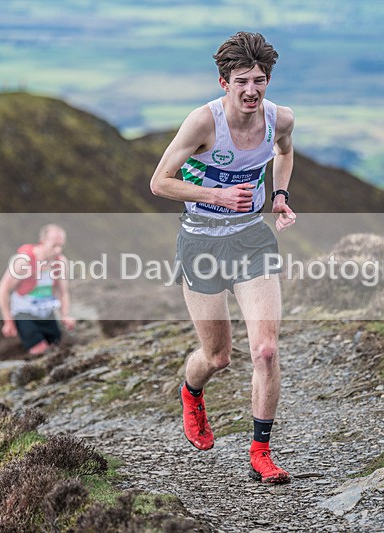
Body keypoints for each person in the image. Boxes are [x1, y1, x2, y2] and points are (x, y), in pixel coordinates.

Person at [150, 32, 297, 484]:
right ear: (223, 82)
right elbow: (159, 182)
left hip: (251, 239)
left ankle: (260, 451)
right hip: (201, 242)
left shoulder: (281, 118)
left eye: (260, 80)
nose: (252, 90)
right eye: (241, 81)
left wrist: (278, 195)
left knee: (266, 351)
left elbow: (284, 153)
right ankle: (192, 392)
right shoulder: (202, 123)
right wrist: (214, 194)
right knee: (217, 357)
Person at [0, 224, 75, 355]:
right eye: (54, 245)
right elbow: (2, 289)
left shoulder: (60, 262)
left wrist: (65, 315)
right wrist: (8, 321)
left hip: (46, 312)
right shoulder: (24, 261)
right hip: (24, 313)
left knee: (57, 351)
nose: (58, 250)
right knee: (39, 350)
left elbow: (63, 292)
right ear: (43, 241)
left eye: (61, 246)